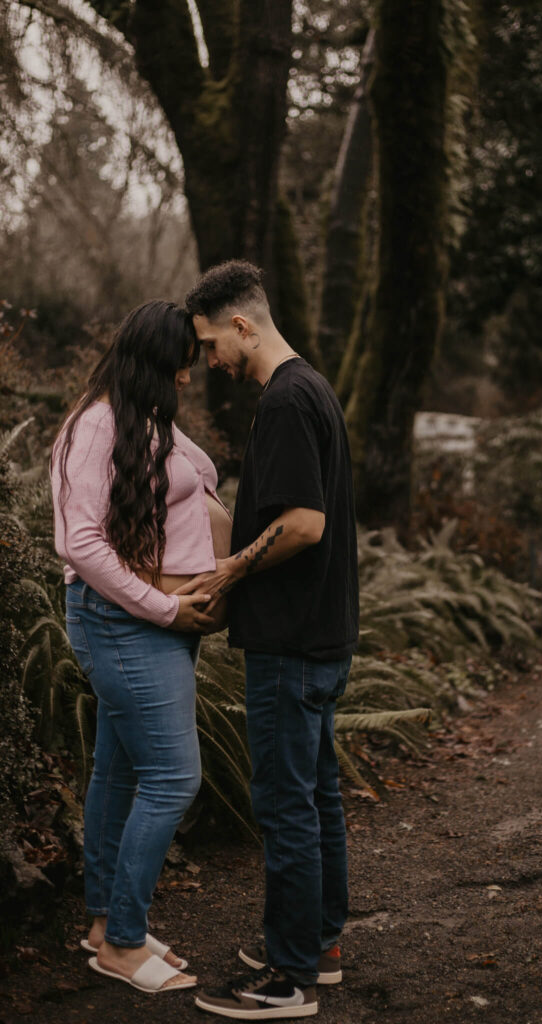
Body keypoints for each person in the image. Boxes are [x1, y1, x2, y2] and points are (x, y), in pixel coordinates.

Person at [181, 260, 359, 1019]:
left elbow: (303, 525)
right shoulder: (311, 386)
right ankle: (317, 946)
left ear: (242, 325)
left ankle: (286, 980)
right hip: (322, 634)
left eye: (211, 343)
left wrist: (229, 571)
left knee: (285, 803)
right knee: (315, 796)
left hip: (290, 642)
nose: (210, 361)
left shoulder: (285, 401)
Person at [50, 300, 233, 994]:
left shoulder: (148, 423)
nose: (189, 378)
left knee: (121, 773)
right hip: (124, 623)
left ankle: (105, 925)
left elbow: (196, 481)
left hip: (150, 625)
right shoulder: (94, 426)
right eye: (182, 365)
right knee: (173, 778)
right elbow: (78, 543)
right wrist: (164, 606)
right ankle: (123, 942)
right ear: (156, 364)